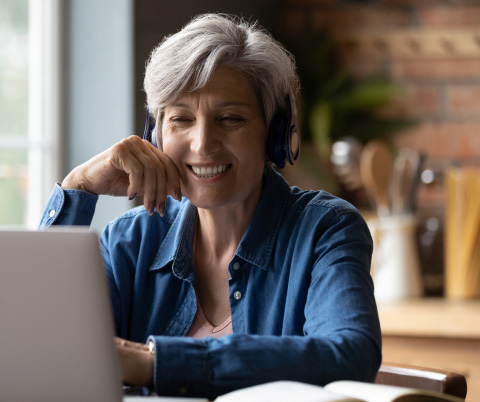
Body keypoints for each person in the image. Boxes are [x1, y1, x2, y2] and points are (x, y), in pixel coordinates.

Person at [39, 13, 381, 400]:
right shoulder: (129, 242)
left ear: (276, 136)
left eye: (230, 118)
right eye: (181, 119)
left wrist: (156, 363)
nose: (202, 144)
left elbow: (349, 354)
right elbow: (37, 348)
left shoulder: (326, 228)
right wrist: (78, 189)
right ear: (156, 134)